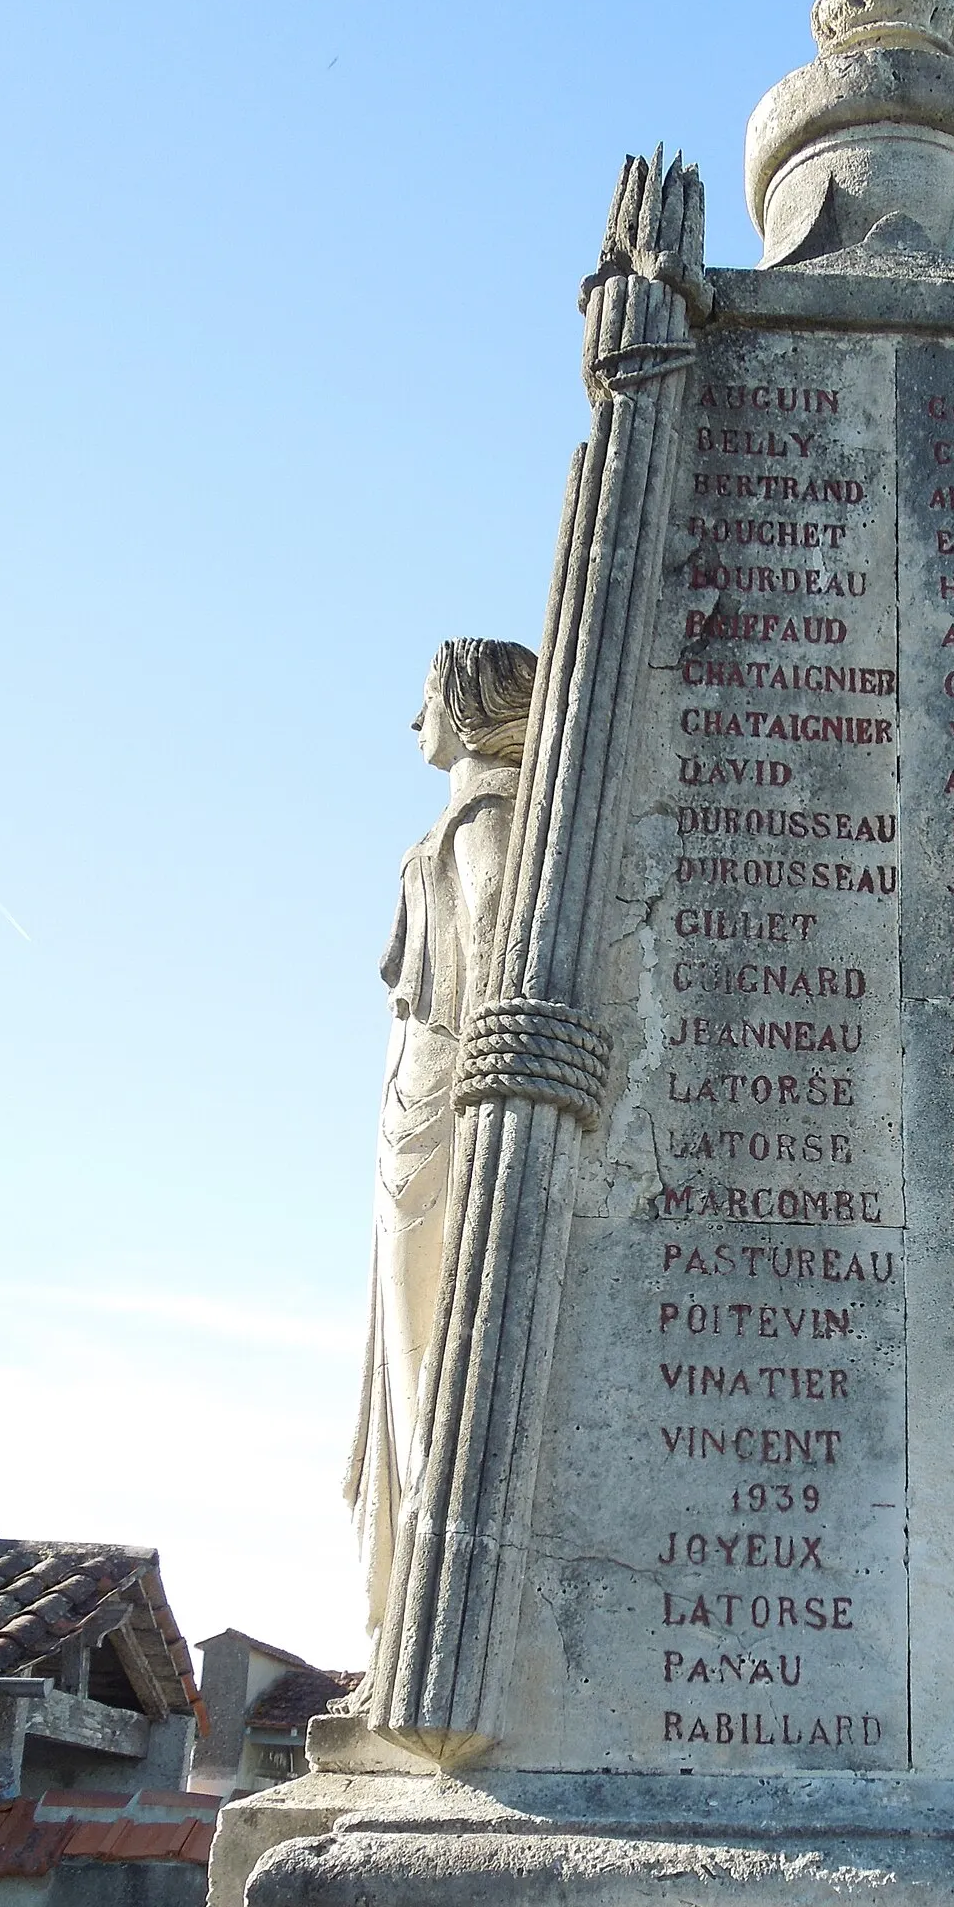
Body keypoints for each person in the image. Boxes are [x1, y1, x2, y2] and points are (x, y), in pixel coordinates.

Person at [344, 637, 538, 1639]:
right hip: (411, 1109)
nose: (414, 719)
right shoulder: (455, 823)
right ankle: (401, 1603)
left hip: (444, 1115)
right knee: (404, 1347)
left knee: (432, 1345)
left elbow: (503, 957)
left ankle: (426, 1606)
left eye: (425, 696)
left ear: (467, 702)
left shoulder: (487, 818)